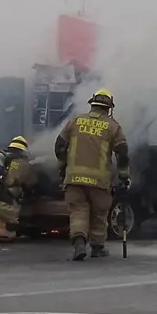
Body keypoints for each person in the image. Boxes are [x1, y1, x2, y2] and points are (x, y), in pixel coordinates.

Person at [55, 88, 130, 261]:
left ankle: (80, 244)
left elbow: (59, 146)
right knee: (99, 214)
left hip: (74, 179)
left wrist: (63, 166)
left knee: (78, 212)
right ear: (109, 108)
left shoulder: (75, 121)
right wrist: (124, 176)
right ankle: (97, 247)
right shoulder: (113, 127)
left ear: (92, 104)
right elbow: (122, 153)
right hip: (99, 181)